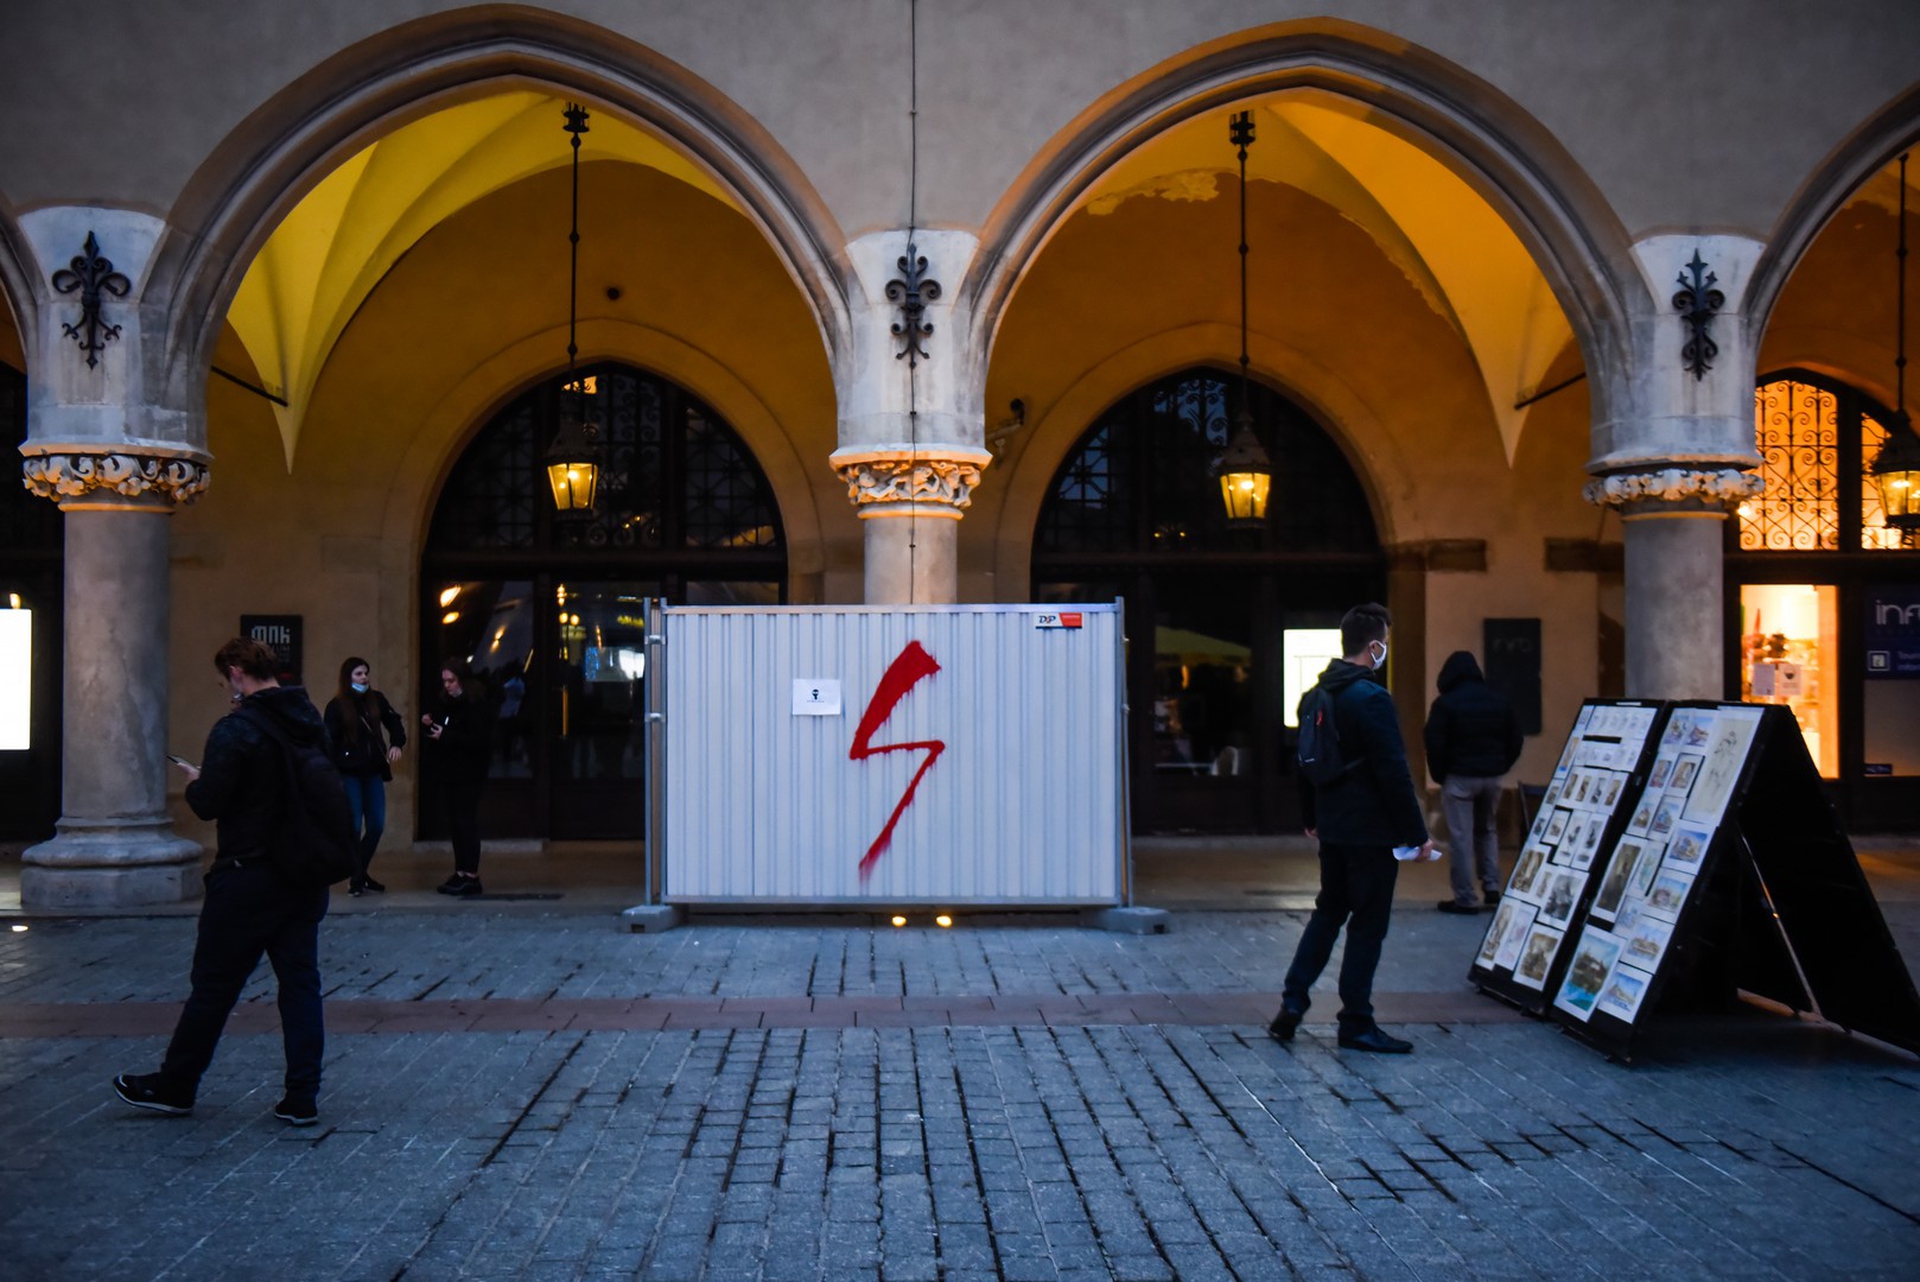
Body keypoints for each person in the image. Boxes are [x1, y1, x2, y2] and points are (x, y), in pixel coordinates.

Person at [113, 637, 331, 1125]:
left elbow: (211, 802)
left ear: (236, 672)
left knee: (213, 986)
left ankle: (177, 1084)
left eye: (222, 681)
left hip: (248, 874)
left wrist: (196, 780)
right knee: (300, 983)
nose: (223, 691)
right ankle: (302, 1096)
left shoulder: (236, 730)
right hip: (302, 873)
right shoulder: (309, 721)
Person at [1269, 603, 1433, 1055]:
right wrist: (1416, 833)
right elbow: (1393, 771)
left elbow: (1302, 763)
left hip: (1334, 825)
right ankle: (1356, 1021)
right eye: (1385, 644)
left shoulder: (1315, 695)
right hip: (1371, 829)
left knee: (1328, 912)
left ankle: (1293, 1001)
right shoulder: (1372, 699)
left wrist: (1311, 817)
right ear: (1374, 646)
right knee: (1367, 925)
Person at [1423, 649, 1525, 914]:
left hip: (1459, 778)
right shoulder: (1498, 700)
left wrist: (1440, 774)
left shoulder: (1445, 704)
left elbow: (1434, 743)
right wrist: (1501, 765)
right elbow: (1515, 737)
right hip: (1491, 777)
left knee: (1461, 837)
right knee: (1487, 830)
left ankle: (1466, 898)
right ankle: (1492, 887)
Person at [323, 655, 408, 896]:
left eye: (366, 673)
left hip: (372, 772)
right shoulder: (337, 706)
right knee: (353, 826)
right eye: (359, 674)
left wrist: (396, 744)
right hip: (349, 773)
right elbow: (328, 740)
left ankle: (358, 872)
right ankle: (358, 877)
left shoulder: (376, 699)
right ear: (348, 677)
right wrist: (337, 765)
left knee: (376, 825)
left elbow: (394, 722)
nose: (364, 678)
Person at [423, 656, 495, 897]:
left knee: (466, 823)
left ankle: (471, 875)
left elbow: (478, 740)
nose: (447, 685)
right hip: (450, 771)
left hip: (469, 773)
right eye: (444, 681)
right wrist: (432, 725)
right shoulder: (446, 702)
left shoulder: (476, 704)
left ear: (461, 680)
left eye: (451, 681)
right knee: (455, 824)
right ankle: (461, 871)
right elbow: (446, 729)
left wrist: (446, 735)